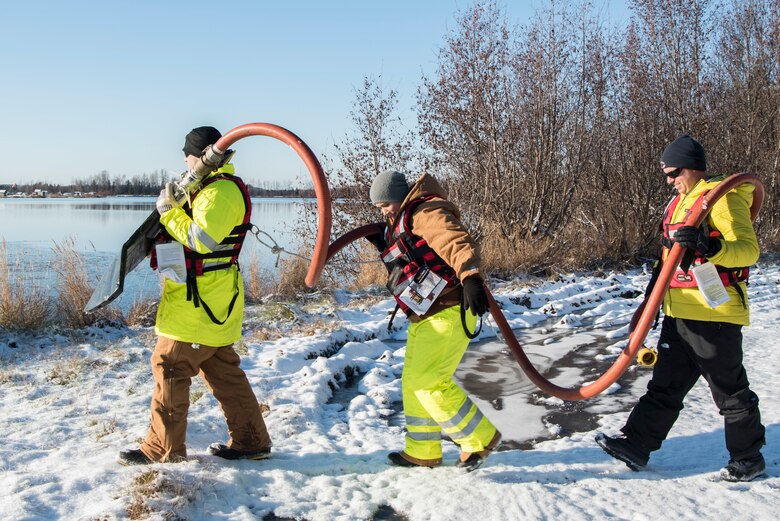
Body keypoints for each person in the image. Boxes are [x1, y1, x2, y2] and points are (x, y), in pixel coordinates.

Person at [595, 135, 766, 482]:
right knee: (666, 386)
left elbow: (748, 250)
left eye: (673, 173)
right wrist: (651, 301)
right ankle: (636, 445)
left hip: (713, 316)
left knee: (729, 391)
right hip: (679, 312)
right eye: (667, 175)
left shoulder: (721, 198)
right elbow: (666, 260)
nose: (669, 181)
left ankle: (749, 458)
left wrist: (709, 246)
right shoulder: (678, 205)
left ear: (691, 167)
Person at [118, 126, 272, 465]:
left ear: (202, 154)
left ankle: (163, 449)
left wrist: (168, 212)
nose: (185, 162)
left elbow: (201, 239)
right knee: (224, 374)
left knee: (169, 367)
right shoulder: (208, 189)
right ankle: (252, 441)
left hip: (199, 307)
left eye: (188, 154)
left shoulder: (220, 193)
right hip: (209, 303)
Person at [366, 169, 501, 471]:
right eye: (379, 208)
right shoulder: (401, 219)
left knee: (429, 382)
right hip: (425, 314)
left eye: (385, 204)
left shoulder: (426, 210)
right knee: (413, 384)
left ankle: (479, 439)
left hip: (449, 310)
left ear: (399, 197)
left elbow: (453, 240)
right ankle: (422, 451)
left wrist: (470, 277)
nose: (384, 211)